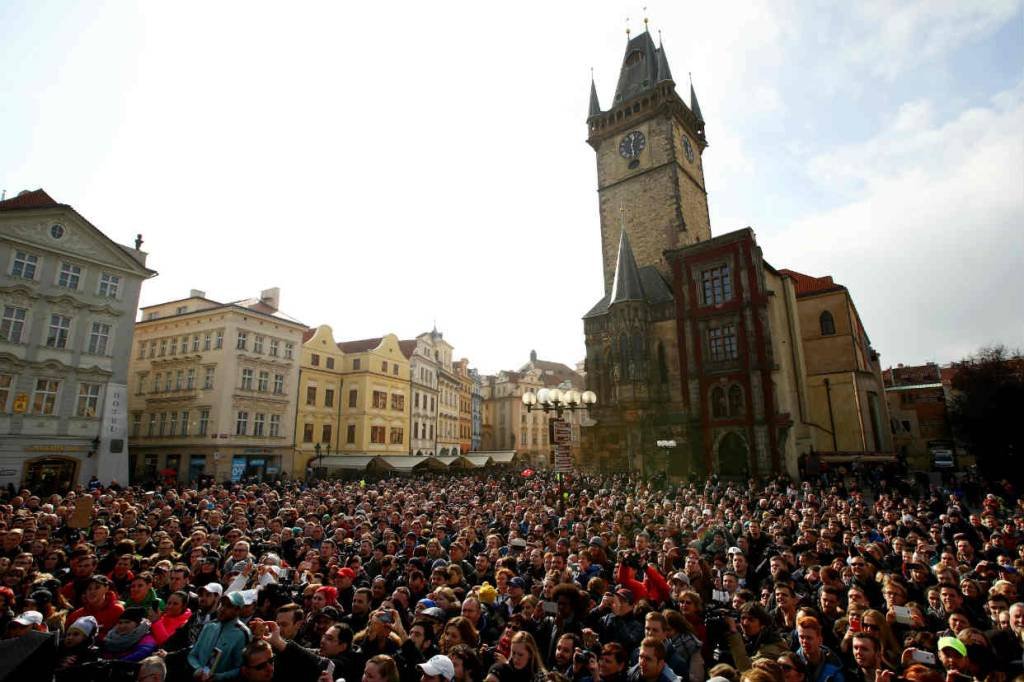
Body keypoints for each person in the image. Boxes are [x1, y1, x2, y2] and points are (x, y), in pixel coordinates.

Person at [187, 591, 252, 681]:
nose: (222, 609)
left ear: (238, 610)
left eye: (228, 606)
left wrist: (218, 677)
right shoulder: (209, 626)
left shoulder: (242, 634)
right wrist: (198, 669)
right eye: (222, 604)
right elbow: (193, 655)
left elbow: (242, 669)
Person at [795, 617, 844, 682]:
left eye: (809, 638)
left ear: (820, 639)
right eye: (801, 637)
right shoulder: (794, 663)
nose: (804, 641)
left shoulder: (834, 663)